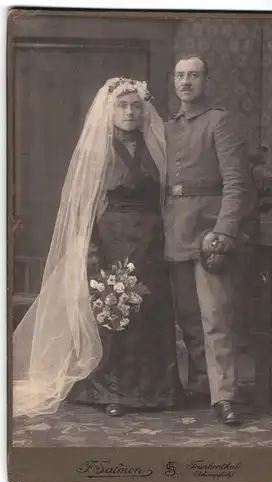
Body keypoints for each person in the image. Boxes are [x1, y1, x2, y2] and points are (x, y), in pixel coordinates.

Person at [13, 77, 183, 419]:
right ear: (110, 110)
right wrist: (90, 248)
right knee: (116, 310)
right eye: (123, 106)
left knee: (151, 309)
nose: (131, 112)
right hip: (113, 238)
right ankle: (113, 390)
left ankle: (157, 389)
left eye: (136, 106)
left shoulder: (157, 144)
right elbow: (86, 204)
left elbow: (168, 195)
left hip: (152, 240)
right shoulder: (99, 149)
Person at [163, 55, 260, 426]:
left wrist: (224, 231)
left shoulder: (220, 121)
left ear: (206, 79)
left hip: (208, 235)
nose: (186, 82)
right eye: (180, 76)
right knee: (188, 318)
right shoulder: (167, 128)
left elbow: (237, 184)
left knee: (215, 317)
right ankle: (203, 386)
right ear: (173, 82)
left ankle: (225, 396)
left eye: (194, 75)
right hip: (174, 232)